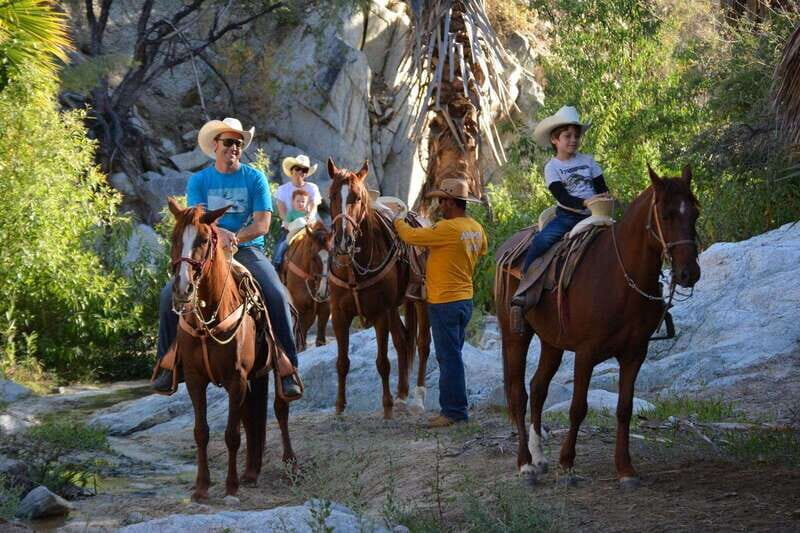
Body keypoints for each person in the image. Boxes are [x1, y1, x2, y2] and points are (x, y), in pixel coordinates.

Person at [152, 117, 301, 398]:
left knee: (276, 294)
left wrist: (236, 237)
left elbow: (262, 224)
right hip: (207, 251)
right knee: (167, 295)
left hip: (248, 249)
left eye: (238, 143)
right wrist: (217, 236)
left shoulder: (254, 177)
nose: (234, 147)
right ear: (215, 145)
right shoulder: (199, 180)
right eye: (229, 142)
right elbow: (196, 219)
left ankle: (287, 367)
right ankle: (168, 365)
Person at [389, 179, 487, 428]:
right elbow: (482, 250)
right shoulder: (476, 228)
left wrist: (396, 218)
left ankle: (453, 412)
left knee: (448, 357)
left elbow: (411, 236)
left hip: (444, 302)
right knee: (453, 354)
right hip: (465, 300)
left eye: (443, 200)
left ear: (453, 202)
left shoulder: (447, 228)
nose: (440, 205)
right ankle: (456, 408)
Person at [519, 105, 609, 274]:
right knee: (542, 240)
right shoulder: (552, 167)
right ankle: (525, 277)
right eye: (567, 136)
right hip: (568, 216)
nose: (573, 140)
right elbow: (562, 196)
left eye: (576, 136)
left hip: (596, 214)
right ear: (555, 139)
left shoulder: (588, 160)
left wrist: (605, 196)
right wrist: (585, 202)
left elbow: (601, 187)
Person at [273, 154, 322, 268]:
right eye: (298, 169)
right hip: (289, 227)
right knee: (279, 252)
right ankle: (275, 271)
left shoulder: (312, 187)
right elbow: (282, 211)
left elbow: (313, 206)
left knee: (326, 248)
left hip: (309, 226)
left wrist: (309, 218)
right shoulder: (282, 190)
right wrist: (287, 222)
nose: (301, 172)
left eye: (304, 170)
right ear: (291, 170)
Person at [273, 189, 311, 267]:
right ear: (293, 202)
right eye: (298, 201)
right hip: (290, 232)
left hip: (305, 233)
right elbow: (287, 225)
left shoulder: (307, 215)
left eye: (303, 201)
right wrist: (294, 224)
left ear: (307, 203)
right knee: (281, 244)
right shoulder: (291, 214)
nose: (300, 203)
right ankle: (276, 261)